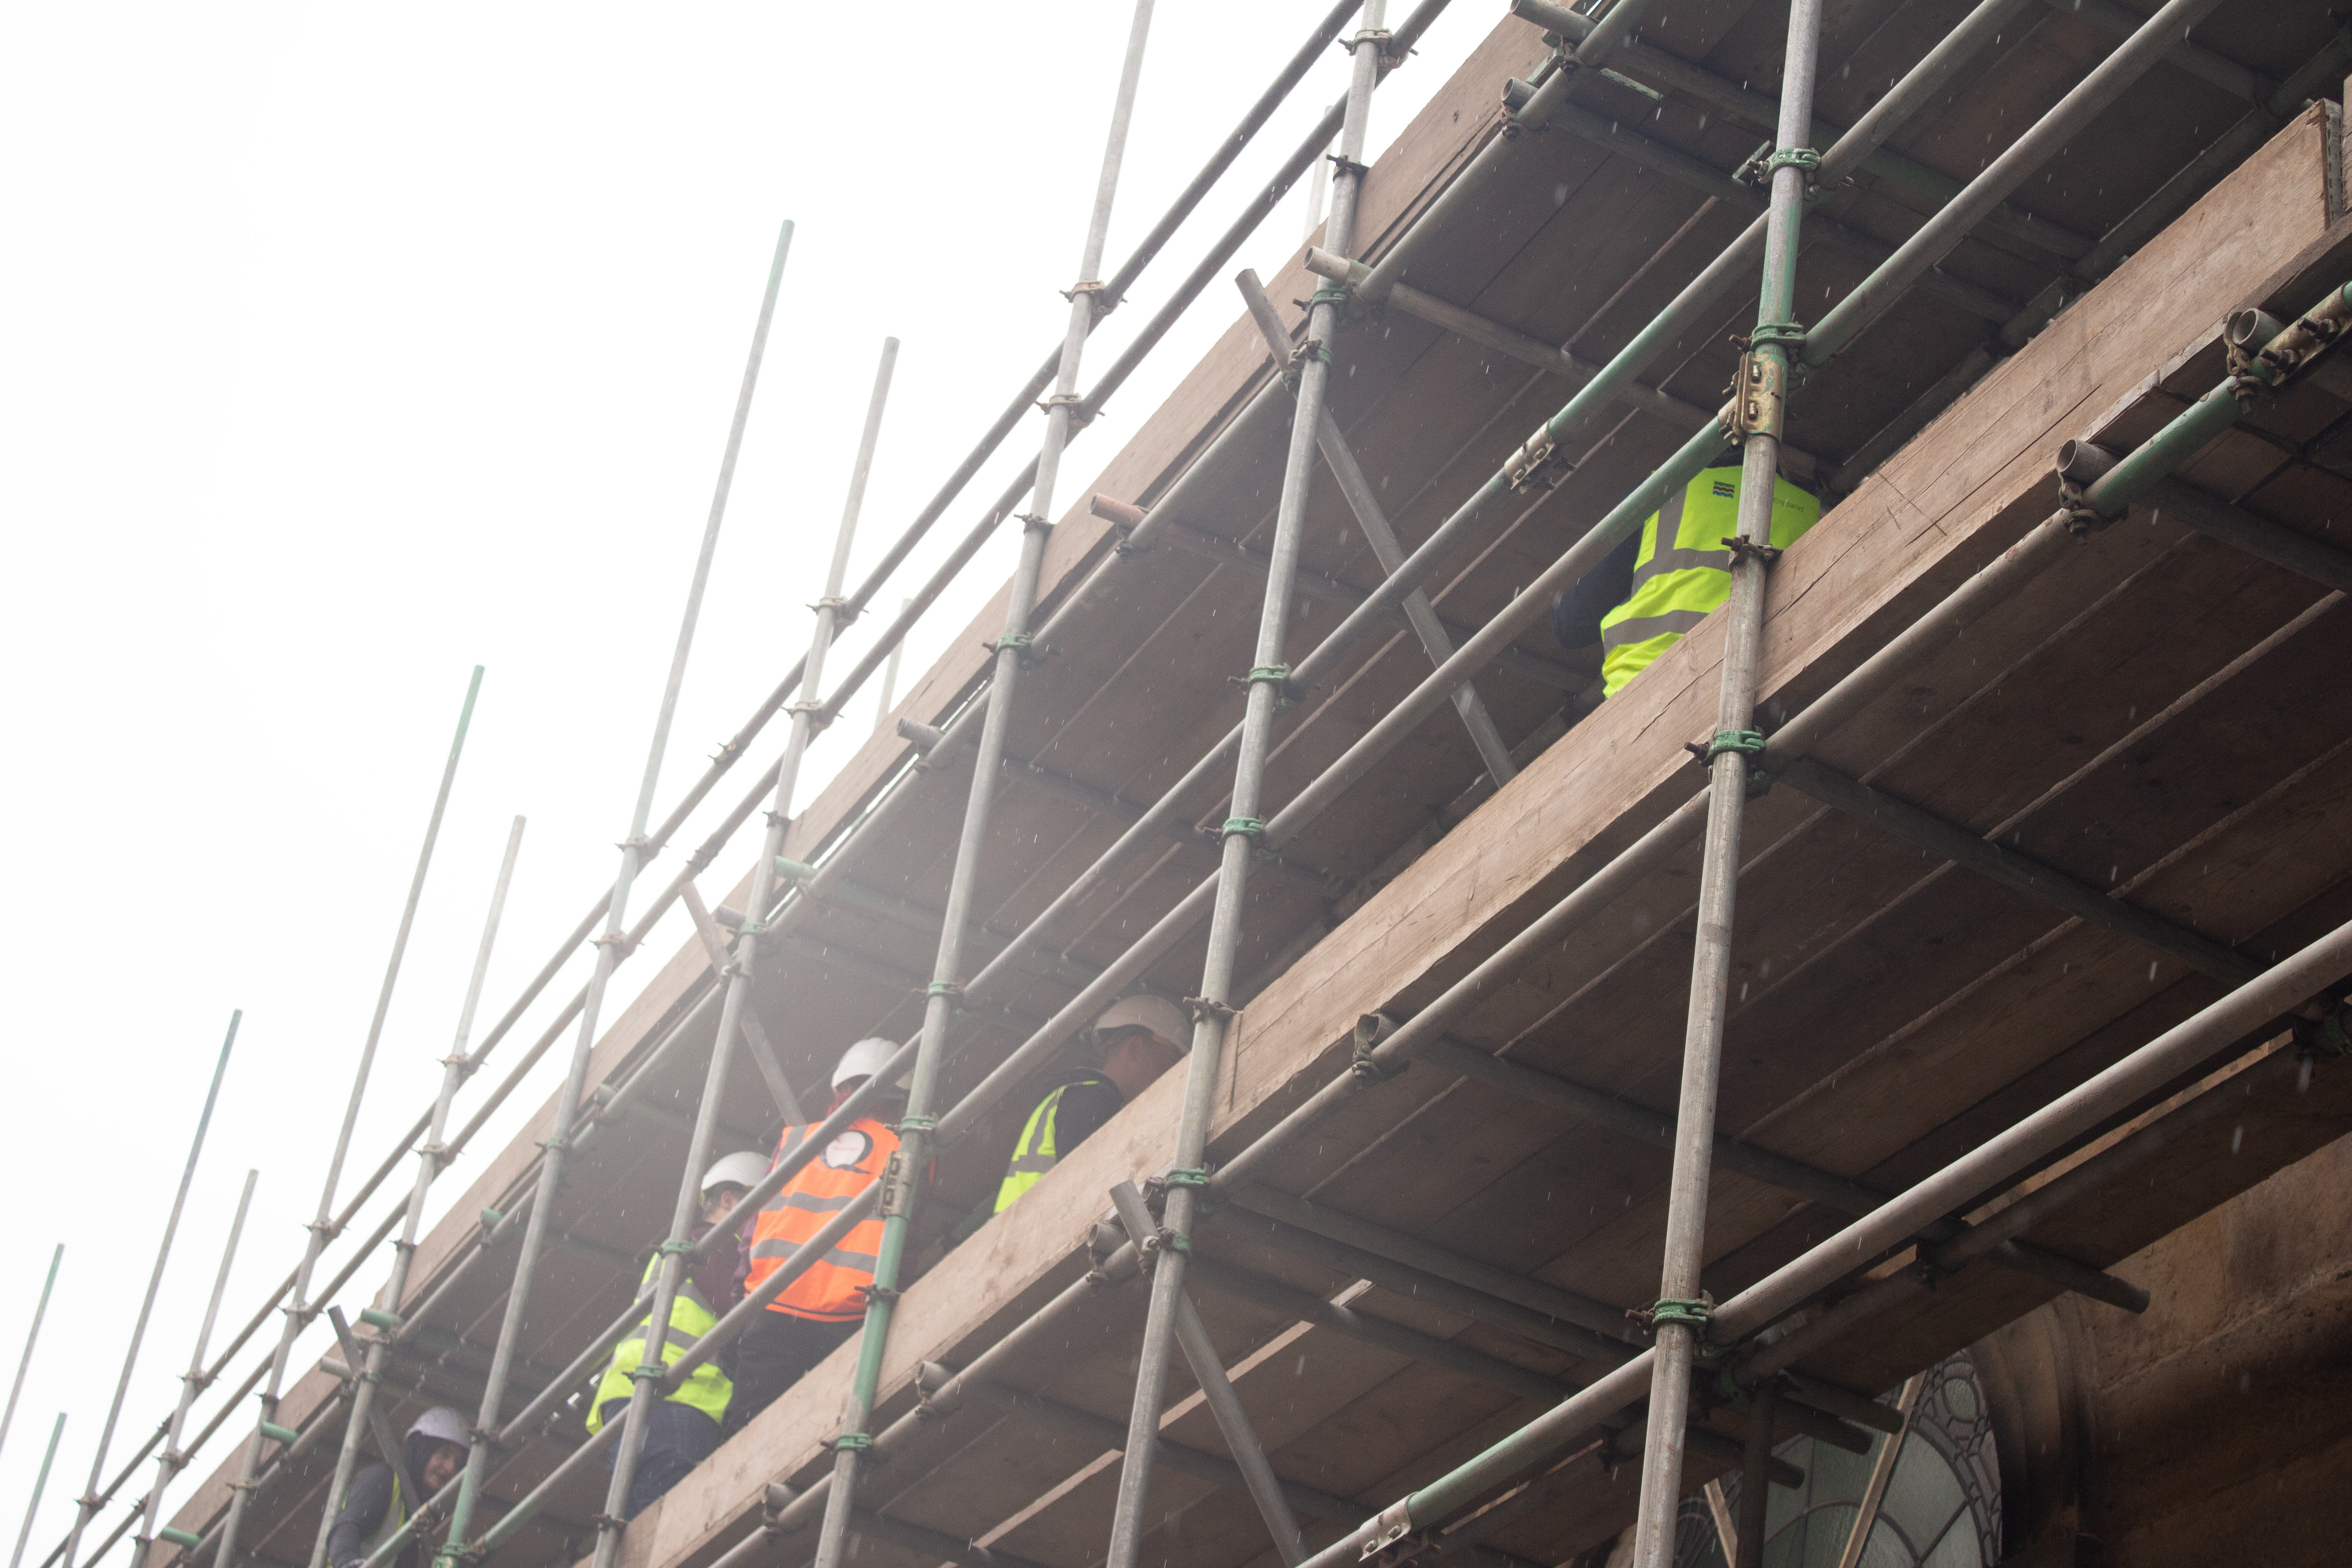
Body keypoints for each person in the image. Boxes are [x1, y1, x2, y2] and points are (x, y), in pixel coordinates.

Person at [722, 1038, 906, 1437]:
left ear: (840, 1090)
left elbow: (753, 1232)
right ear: (899, 1098)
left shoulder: (797, 1141)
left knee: (748, 1435)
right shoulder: (907, 1145)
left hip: (773, 1304)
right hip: (851, 1312)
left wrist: (741, 1304)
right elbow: (904, 1231)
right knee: (828, 1431)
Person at [585, 1151, 766, 1517]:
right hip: (680, 1396)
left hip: (630, 1392)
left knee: (633, 1519)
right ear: (729, 1199)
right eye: (763, 1201)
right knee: (668, 1520)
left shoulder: (678, 1248)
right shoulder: (718, 1247)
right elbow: (744, 1314)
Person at [1551, 463, 1820, 699]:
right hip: (1769, 683)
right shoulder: (1811, 512)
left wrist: (1557, 607)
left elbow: (1575, 623)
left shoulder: (1663, 492)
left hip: (1649, 685)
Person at [994, 996, 1187, 1215]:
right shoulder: (1093, 1098)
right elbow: (1091, 1192)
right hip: (1038, 1234)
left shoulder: (1076, 1097)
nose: (1174, 1073)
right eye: (1172, 1061)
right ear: (1135, 1048)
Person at [323, 1406, 468, 1568]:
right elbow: (346, 1528)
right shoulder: (384, 1479)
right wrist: (347, 1563)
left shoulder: (417, 1517)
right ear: (422, 1450)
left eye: (458, 1463)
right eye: (445, 1454)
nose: (450, 1468)